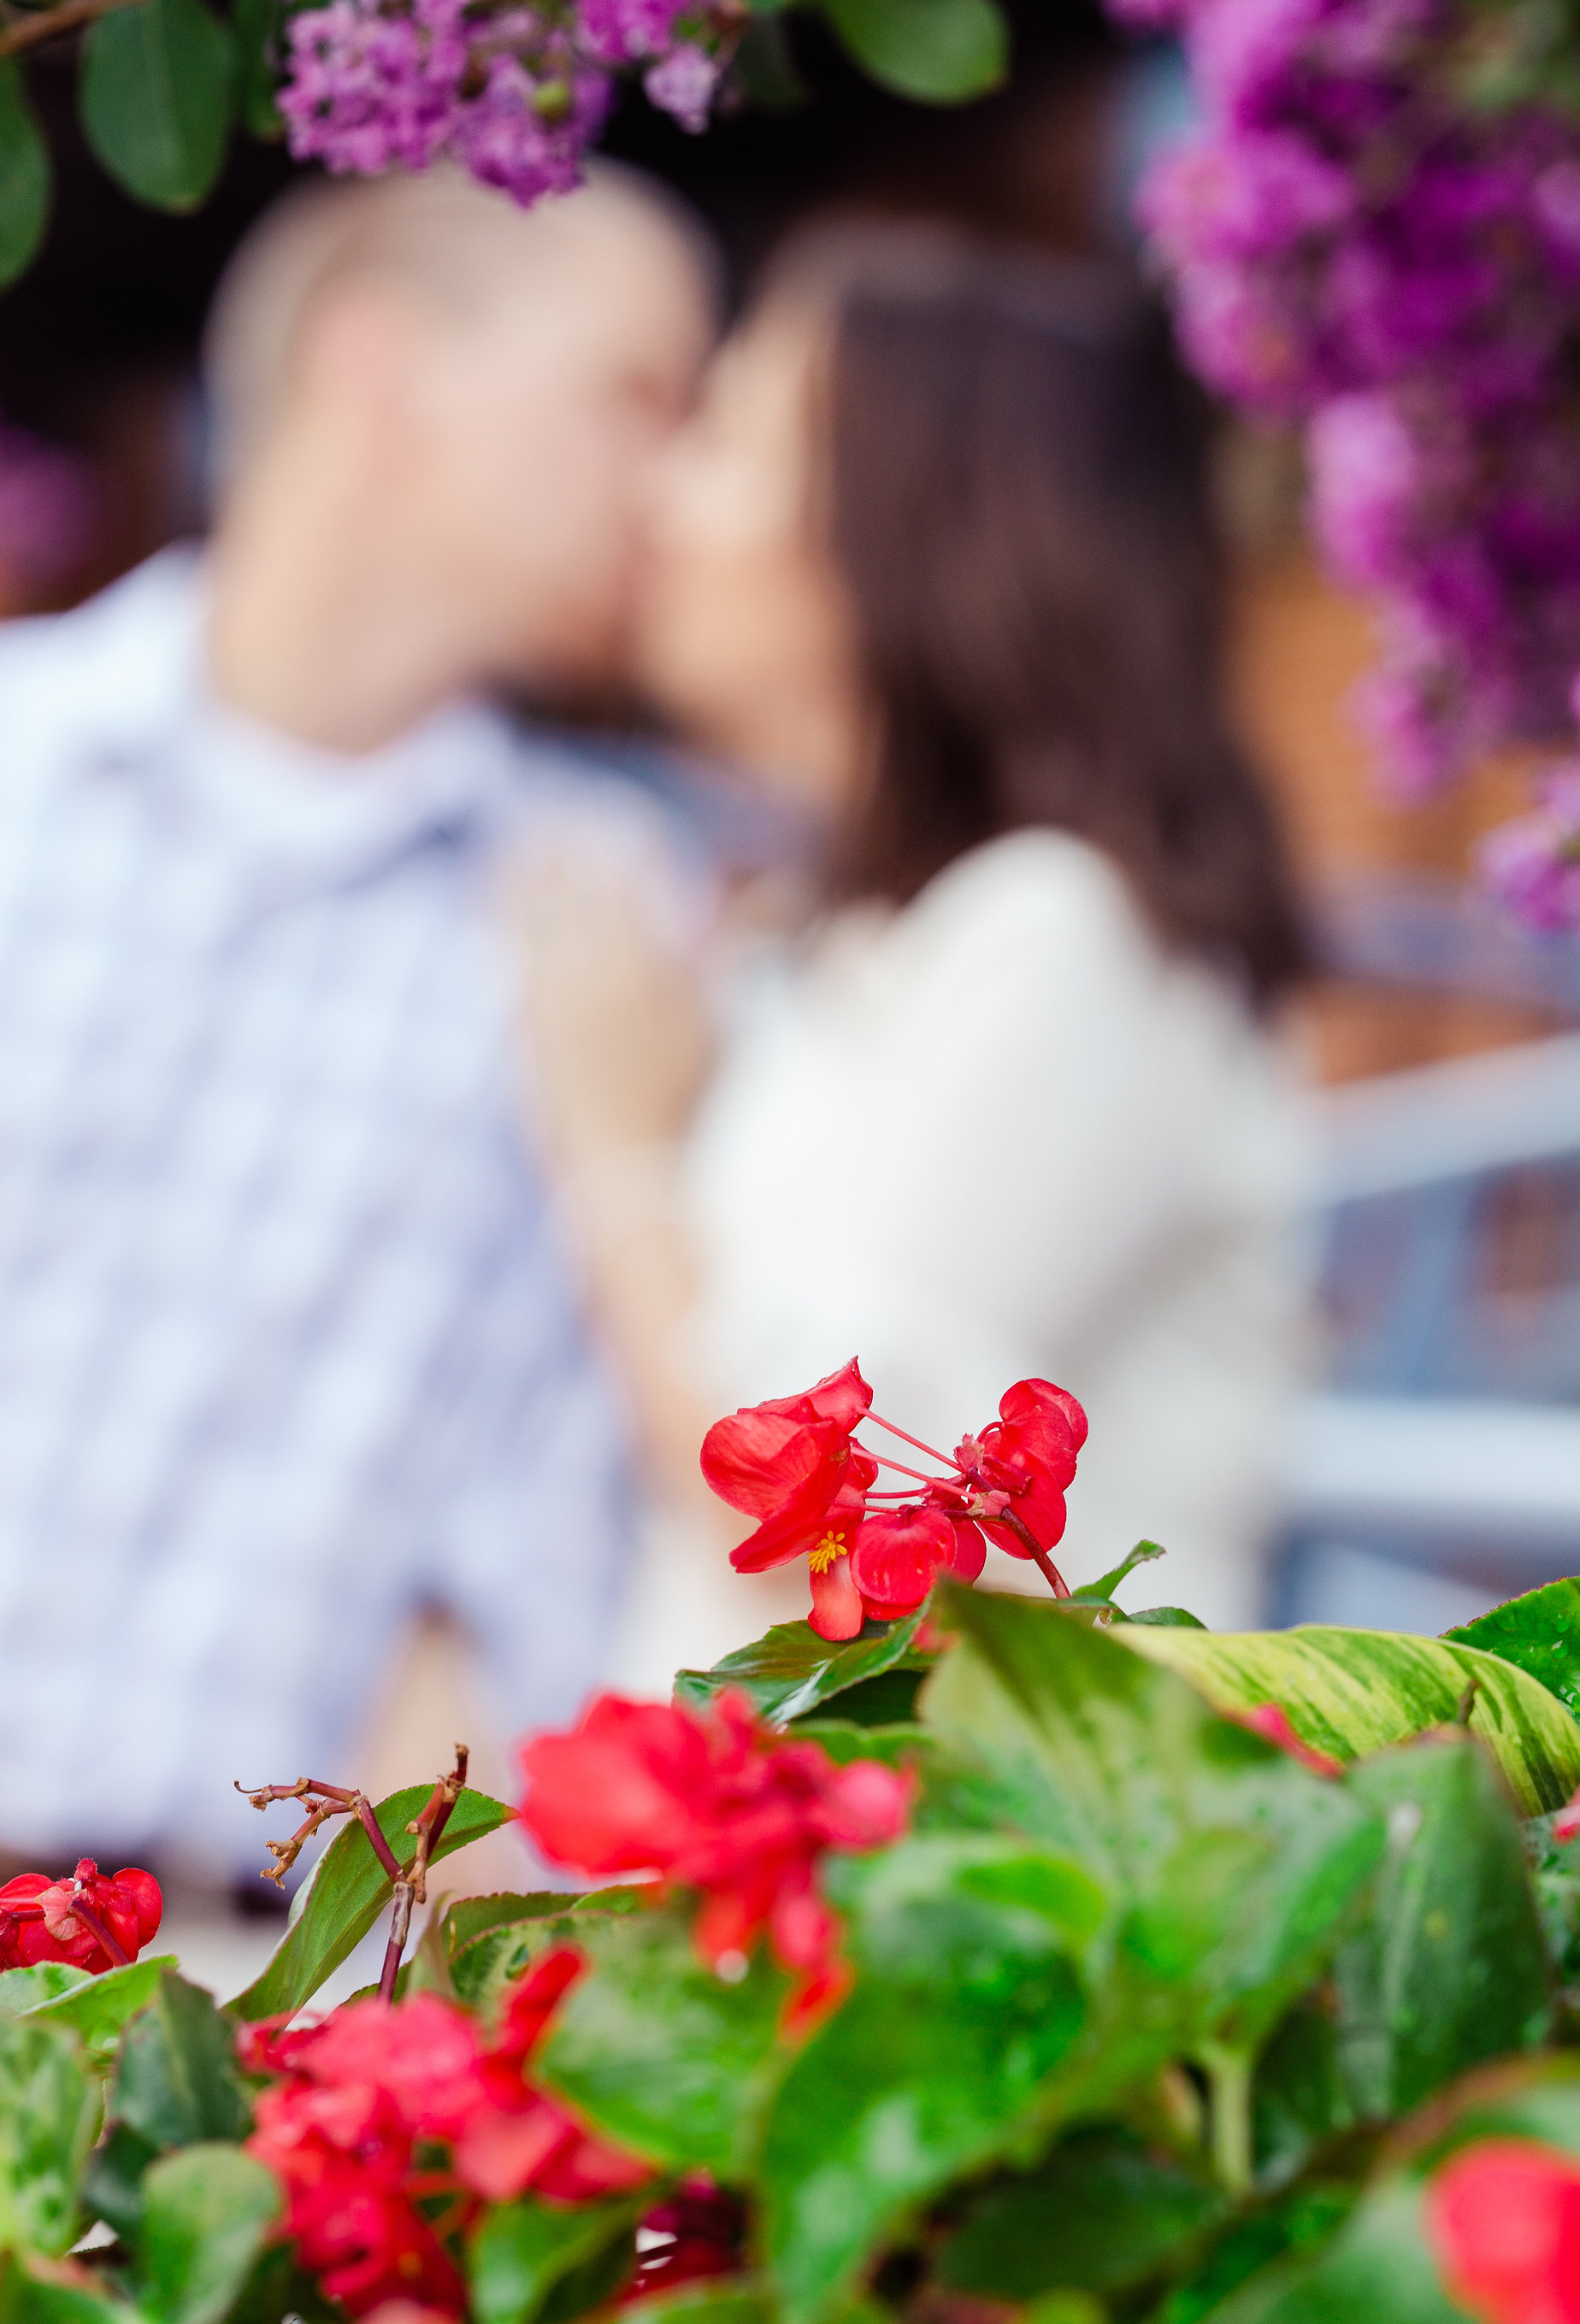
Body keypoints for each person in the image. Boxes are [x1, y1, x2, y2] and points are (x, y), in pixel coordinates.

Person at [0, 163, 716, 1892]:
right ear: (382, 366)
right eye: (634, 395)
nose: (675, 485)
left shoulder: (607, 922)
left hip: (230, 2015)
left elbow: (534, 1548)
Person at [515, 221, 1312, 1675]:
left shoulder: (1067, 941)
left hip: (981, 1872)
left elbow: (826, 1519)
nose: (661, 498)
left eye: (730, 441)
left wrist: (614, 1141)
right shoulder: (873, 938)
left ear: (897, 525)